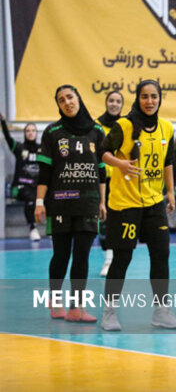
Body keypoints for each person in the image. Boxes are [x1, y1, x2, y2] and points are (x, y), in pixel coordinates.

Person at [100, 80, 176, 331]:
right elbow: (102, 153)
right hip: (125, 204)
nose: (149, 101)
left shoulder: (166, 128)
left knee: (161, 255)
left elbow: (168, 162)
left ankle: (161, 312)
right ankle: (109, 313)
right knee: (122, 258)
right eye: (145, 96)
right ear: (138, 99)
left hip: (154, 202)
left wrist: (170, 192)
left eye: (154, 96)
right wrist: (120, 164)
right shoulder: (124, 126)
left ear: (160, 99)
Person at [35, 85, 106, 322]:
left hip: (88, 203)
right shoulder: (52, 132)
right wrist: (39, 202)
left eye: (70, 97)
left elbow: (102, 171)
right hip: (61, 203)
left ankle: (76, 308)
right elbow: (45, 172)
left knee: (82, 255)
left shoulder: (97, 130)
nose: (67, 102)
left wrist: (103, 202)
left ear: (79, 98)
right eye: (61, 100)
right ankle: (55, 301)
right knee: (61, 254)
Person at [95, 90, 124, 276]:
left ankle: (115, 259)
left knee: (118, 221)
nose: (114, 104)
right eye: (111, 100)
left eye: (118, 101)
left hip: (120, 180)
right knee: (104, 219)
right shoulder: (96, 125)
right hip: (101, 179)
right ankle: (107, 259)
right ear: (106, 103)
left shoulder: (126, 124)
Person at [1, 112, 41, 241]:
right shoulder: (19, 148)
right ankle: (32, 228)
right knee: (31, 197)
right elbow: (8, 138)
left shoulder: (42, 149)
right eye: (28, 131)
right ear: (25, 133)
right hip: (20, 187)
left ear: (36, 133)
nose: (30, 133)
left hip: (36, 187)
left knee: (52, 197)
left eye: (33, 130)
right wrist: (3, 122)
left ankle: (52, 231)